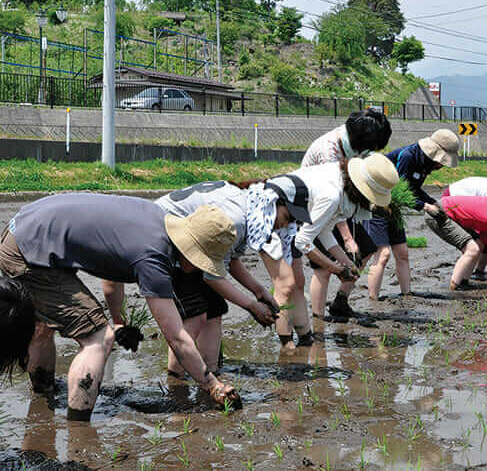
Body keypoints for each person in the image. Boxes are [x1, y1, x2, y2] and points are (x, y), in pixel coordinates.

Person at [0, 195, 241, 420]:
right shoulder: (153, 257)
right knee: (97, 337)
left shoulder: (156, 219)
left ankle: (43, 395)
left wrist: (119, 321)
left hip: (22, 232)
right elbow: (176, 337)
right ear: (192, 250)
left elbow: (111, 272)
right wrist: (212, 385)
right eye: (202, 263)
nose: (200, 269)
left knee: (44, 325)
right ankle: (78, 427)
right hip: (29, 250)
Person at [102, 175, 313, 373]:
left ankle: (210, 373)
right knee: (193, 315)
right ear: (272, 201)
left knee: (214, 310)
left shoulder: (249, 208)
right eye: (287, 217)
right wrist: (251, 306)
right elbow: (212, 276)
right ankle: (177, 382)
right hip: (166, 242)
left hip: (195, 248)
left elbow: (229, 261)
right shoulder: (235, 218)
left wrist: (259, 292)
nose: (285, 225)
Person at [301, 110, 392, 318]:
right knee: (323, 267)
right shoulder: (329, 151)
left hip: (342, 204)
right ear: (361, 141)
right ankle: (318, 319)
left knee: (367, 249)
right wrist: (347, 237)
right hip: (317, 207)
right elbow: (330, 195)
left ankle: (341, 301)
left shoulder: (357, 145)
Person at [290, 154, 398, 325]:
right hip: (278, 216)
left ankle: (314, 328)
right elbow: (302, 241)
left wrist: (346, 262)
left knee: (292, 284)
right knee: (288, 284)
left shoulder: (341, 183)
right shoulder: (332, 195)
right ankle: (308, 331)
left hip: (296, 216)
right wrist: (337, 269)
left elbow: (325, 231)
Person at [364, 129, 459, 300]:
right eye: (441, 161)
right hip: (376, 204)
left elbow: (413, 189)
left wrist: (433, 202)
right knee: (383, 254)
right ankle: (373, 300)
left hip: (394, 208)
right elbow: (398, 190)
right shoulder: (408, 157)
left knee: (402, 253)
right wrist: (425, 207)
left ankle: (407, 294)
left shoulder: (425, 164)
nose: (441, 165)